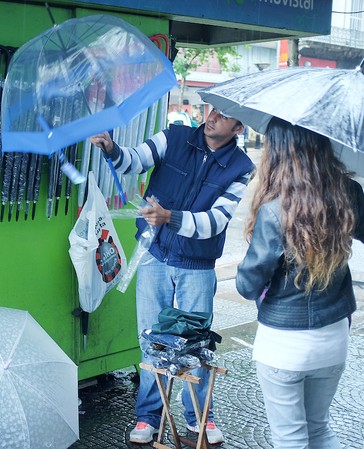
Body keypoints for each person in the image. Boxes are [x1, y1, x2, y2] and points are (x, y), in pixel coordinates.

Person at [91, 106, 254, 445]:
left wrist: (170, 217)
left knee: (196, 343)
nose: (212, 117)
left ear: (238, 128)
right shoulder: (175, 135)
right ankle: (148, 415)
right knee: (152, 337)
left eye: (224, 117)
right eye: (212, 110)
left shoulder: (241, 168)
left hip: (197, 263)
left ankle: (199, 416)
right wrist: (111, 148)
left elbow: (216, 221)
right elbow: (133, 160)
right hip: (154, 254)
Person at [236, 117, 364, 449]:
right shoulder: (350, 192)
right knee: (319, 429)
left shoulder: (274, 211)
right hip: (333, 338)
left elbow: (248, 285)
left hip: (283, 345)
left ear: (279, 152)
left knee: (290, 437)